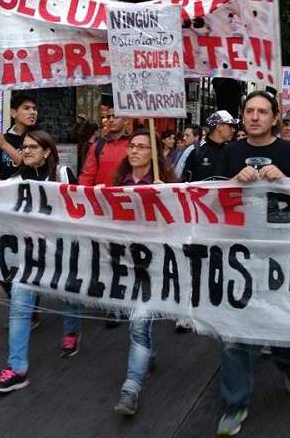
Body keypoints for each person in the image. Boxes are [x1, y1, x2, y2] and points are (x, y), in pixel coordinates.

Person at [214, 90, 290, 437]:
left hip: (281, 252)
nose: (254, 117)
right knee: (234, 332)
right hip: (238, 252)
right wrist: (236, 181)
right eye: (249, 111)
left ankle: (288, 362)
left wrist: (284, 181)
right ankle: (235, 403)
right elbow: (211, 197)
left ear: (274, 118)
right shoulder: (231, 153)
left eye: (262, 112)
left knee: (278, 322)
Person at [0, 130, 82, 393]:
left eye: (33, 147)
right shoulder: (14, 181)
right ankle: (16, 369)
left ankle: (72, 332)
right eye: (25, 147)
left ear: (47, 151)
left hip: (63, 251)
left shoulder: (63, 175)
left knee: (68, 294)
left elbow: (82, 208)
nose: (27, 151)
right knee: (20, 307)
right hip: (29, 257)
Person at [113, 128, 178, 416]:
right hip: (127, 264)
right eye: (132, 146)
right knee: (138, 321)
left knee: (139, 324)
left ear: (154, 152)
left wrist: (168, 198)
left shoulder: (168, 185)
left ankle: (131, 387)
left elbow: (181, 225)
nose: (135, 151)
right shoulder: (118, 184)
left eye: (141, 146)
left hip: (155, 265)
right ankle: (148, 353)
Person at [0, 94, 37, 180]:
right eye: (27, 108)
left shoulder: (40, 139)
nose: (32, 112)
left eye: (34, 109)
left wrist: (5, 145)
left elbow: (31, 169)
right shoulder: (2, 140)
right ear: (13, 113)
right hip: (6, 191)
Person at [78, 106, 128, 187]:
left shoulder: (134, 145)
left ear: (126, 120)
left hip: (128, 196)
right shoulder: (97, 146)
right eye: (108, 117)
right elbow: (87, 176)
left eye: (115, 116)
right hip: (101, 197)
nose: (111, 120)